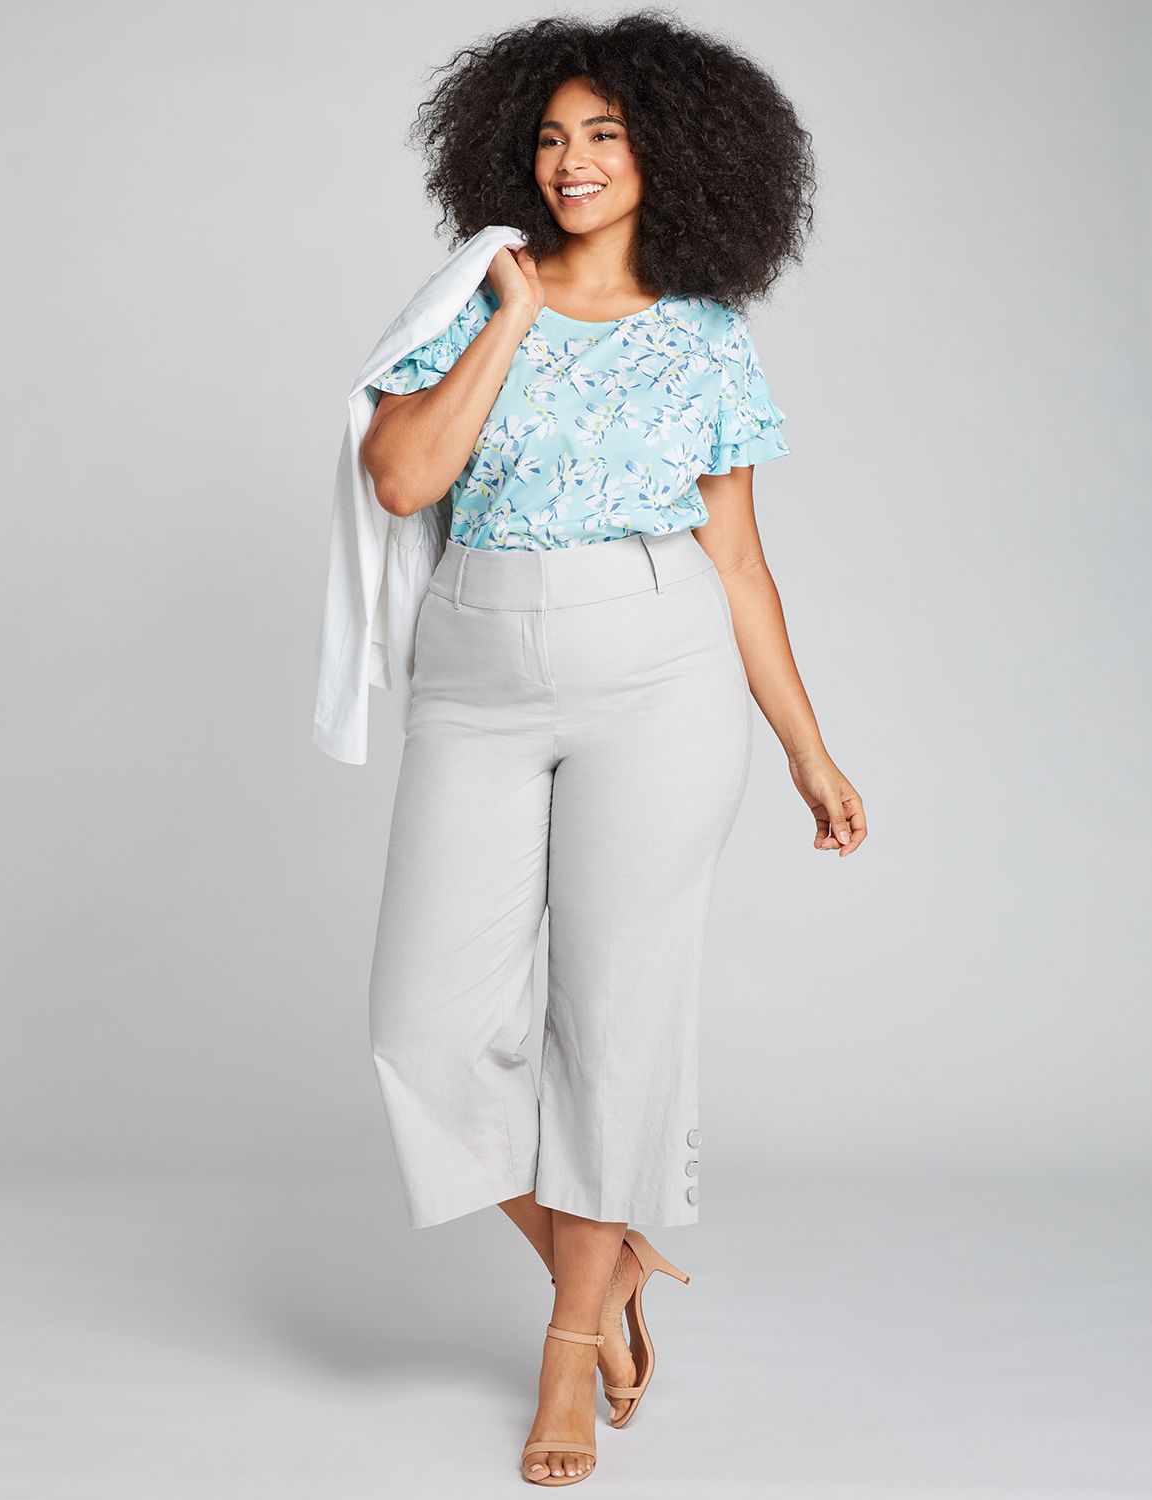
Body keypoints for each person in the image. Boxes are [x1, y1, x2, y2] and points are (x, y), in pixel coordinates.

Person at [358, 12, 867, 1485]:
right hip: (475, 666)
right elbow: (402, 480)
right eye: (550, 137)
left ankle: (571, 1350)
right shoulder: (471, 297)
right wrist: (510, 319)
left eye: (605, 135)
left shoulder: (705, 338)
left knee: (616, 1028)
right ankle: (609, 1252)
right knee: (422, 1033)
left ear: (672, 156)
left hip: (658, 666)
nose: (570, 162)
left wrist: (807, 750)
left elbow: (740, 564)